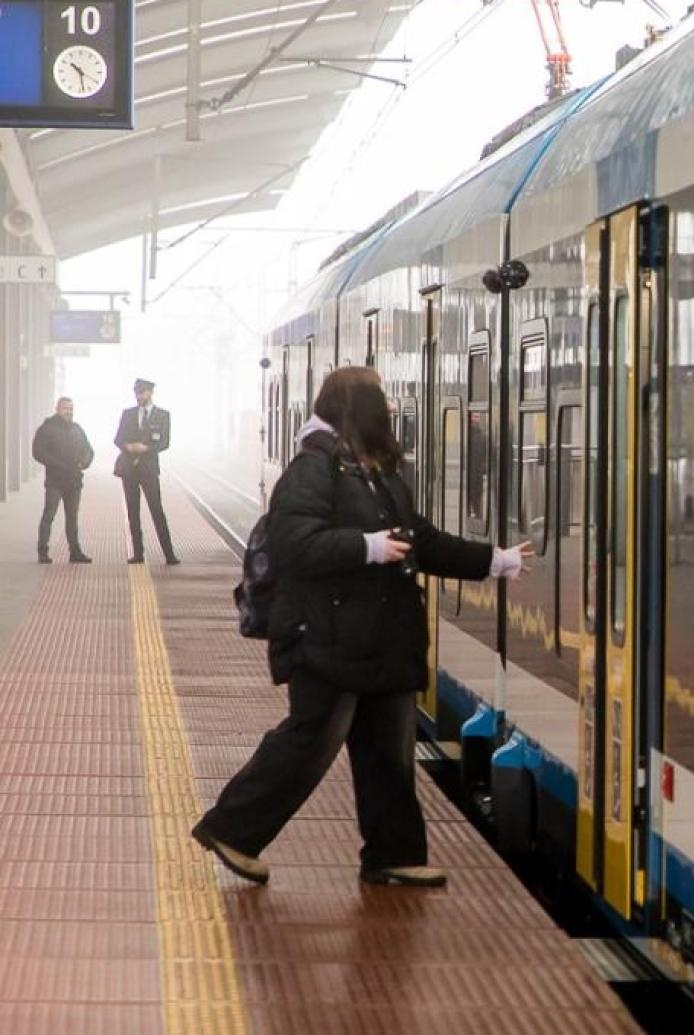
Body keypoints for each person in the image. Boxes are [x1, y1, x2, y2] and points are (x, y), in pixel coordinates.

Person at [191, 366, 532, 888]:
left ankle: (393, 854)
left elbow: (420, 537)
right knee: (310, 741)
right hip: (325, 635)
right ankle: (233, 830)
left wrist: (492, 560)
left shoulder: (377, 470)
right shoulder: (314, 467)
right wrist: (365, 547)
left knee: (389, 752)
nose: (391, 407)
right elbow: (294, 545)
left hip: (381, 638)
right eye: (379, 397)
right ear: (353, 405)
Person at [113, 378, 178, 565]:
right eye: (136, 393)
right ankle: (138, 553)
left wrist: (147, 448)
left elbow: (164, 442)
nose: (138, 396)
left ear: (150, 393)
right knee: (133, 512)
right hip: (129, 470)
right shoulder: (128, 414)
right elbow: (117, 439)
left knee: (157, 510)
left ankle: (169, 554)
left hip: (149, 470)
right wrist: (128, 446)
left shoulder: (163, 415)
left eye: (142, 393)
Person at [32, 397, 94, 564]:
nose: (69, 411)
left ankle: (75, 552)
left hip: (74, 481)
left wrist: (84, 462)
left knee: (72, 517)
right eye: (66, 408)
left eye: (71, 408)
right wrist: (57, 465)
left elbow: (89, 450)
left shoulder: (77, 429)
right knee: (49, 515)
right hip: (55, 481)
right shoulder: (47, 428)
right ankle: (42, 552)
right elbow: (38, 452)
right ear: (57, 409)